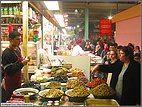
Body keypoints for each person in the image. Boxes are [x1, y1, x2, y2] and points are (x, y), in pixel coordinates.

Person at [1, 31, 30, 100]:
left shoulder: (18, 49)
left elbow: (17, 61)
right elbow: (9, 71)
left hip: (18, 80)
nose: (20, 41)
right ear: (10, 40)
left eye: (20, 39)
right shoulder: (7, 53)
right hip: (10, 83)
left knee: (18, 99)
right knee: (12, 100)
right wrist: (22, 63)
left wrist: (24, 59)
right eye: (17, 39)